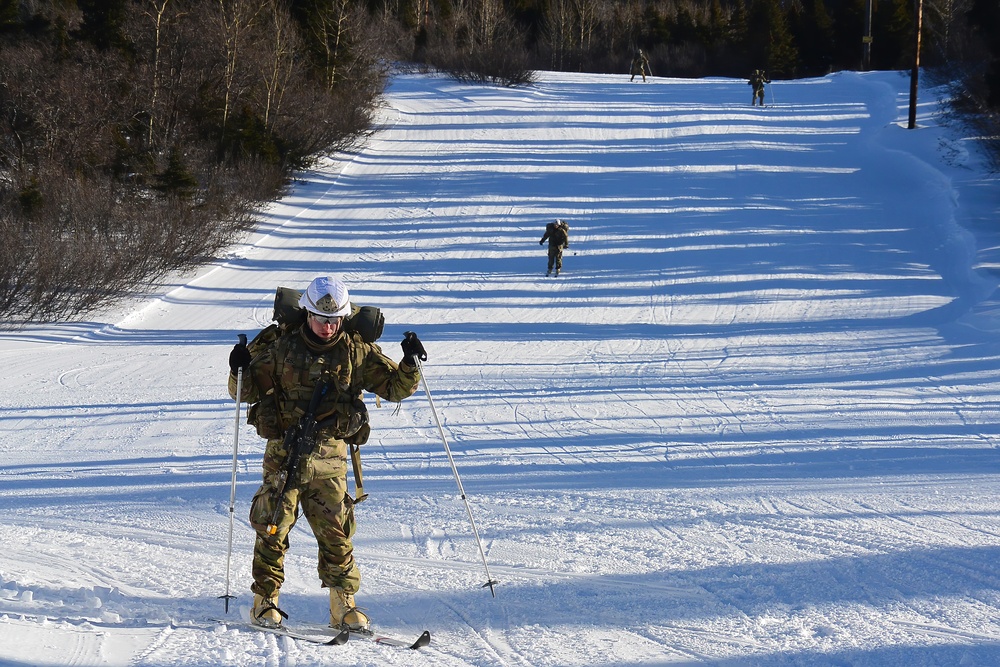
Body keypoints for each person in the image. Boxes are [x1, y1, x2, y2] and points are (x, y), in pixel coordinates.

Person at [227, 275, 426, 632]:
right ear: (306, 313)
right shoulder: (280, 346)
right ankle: (265, 600)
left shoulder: (354, 350)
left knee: (337, 533)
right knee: (273, 527)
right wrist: (238, 367)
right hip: (284, 453)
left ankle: (343, 605)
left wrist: (410, 363)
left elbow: (395, 388)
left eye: (334, 320)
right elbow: (244, 393)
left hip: (330, 459)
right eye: (320, 319)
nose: (327, 326)